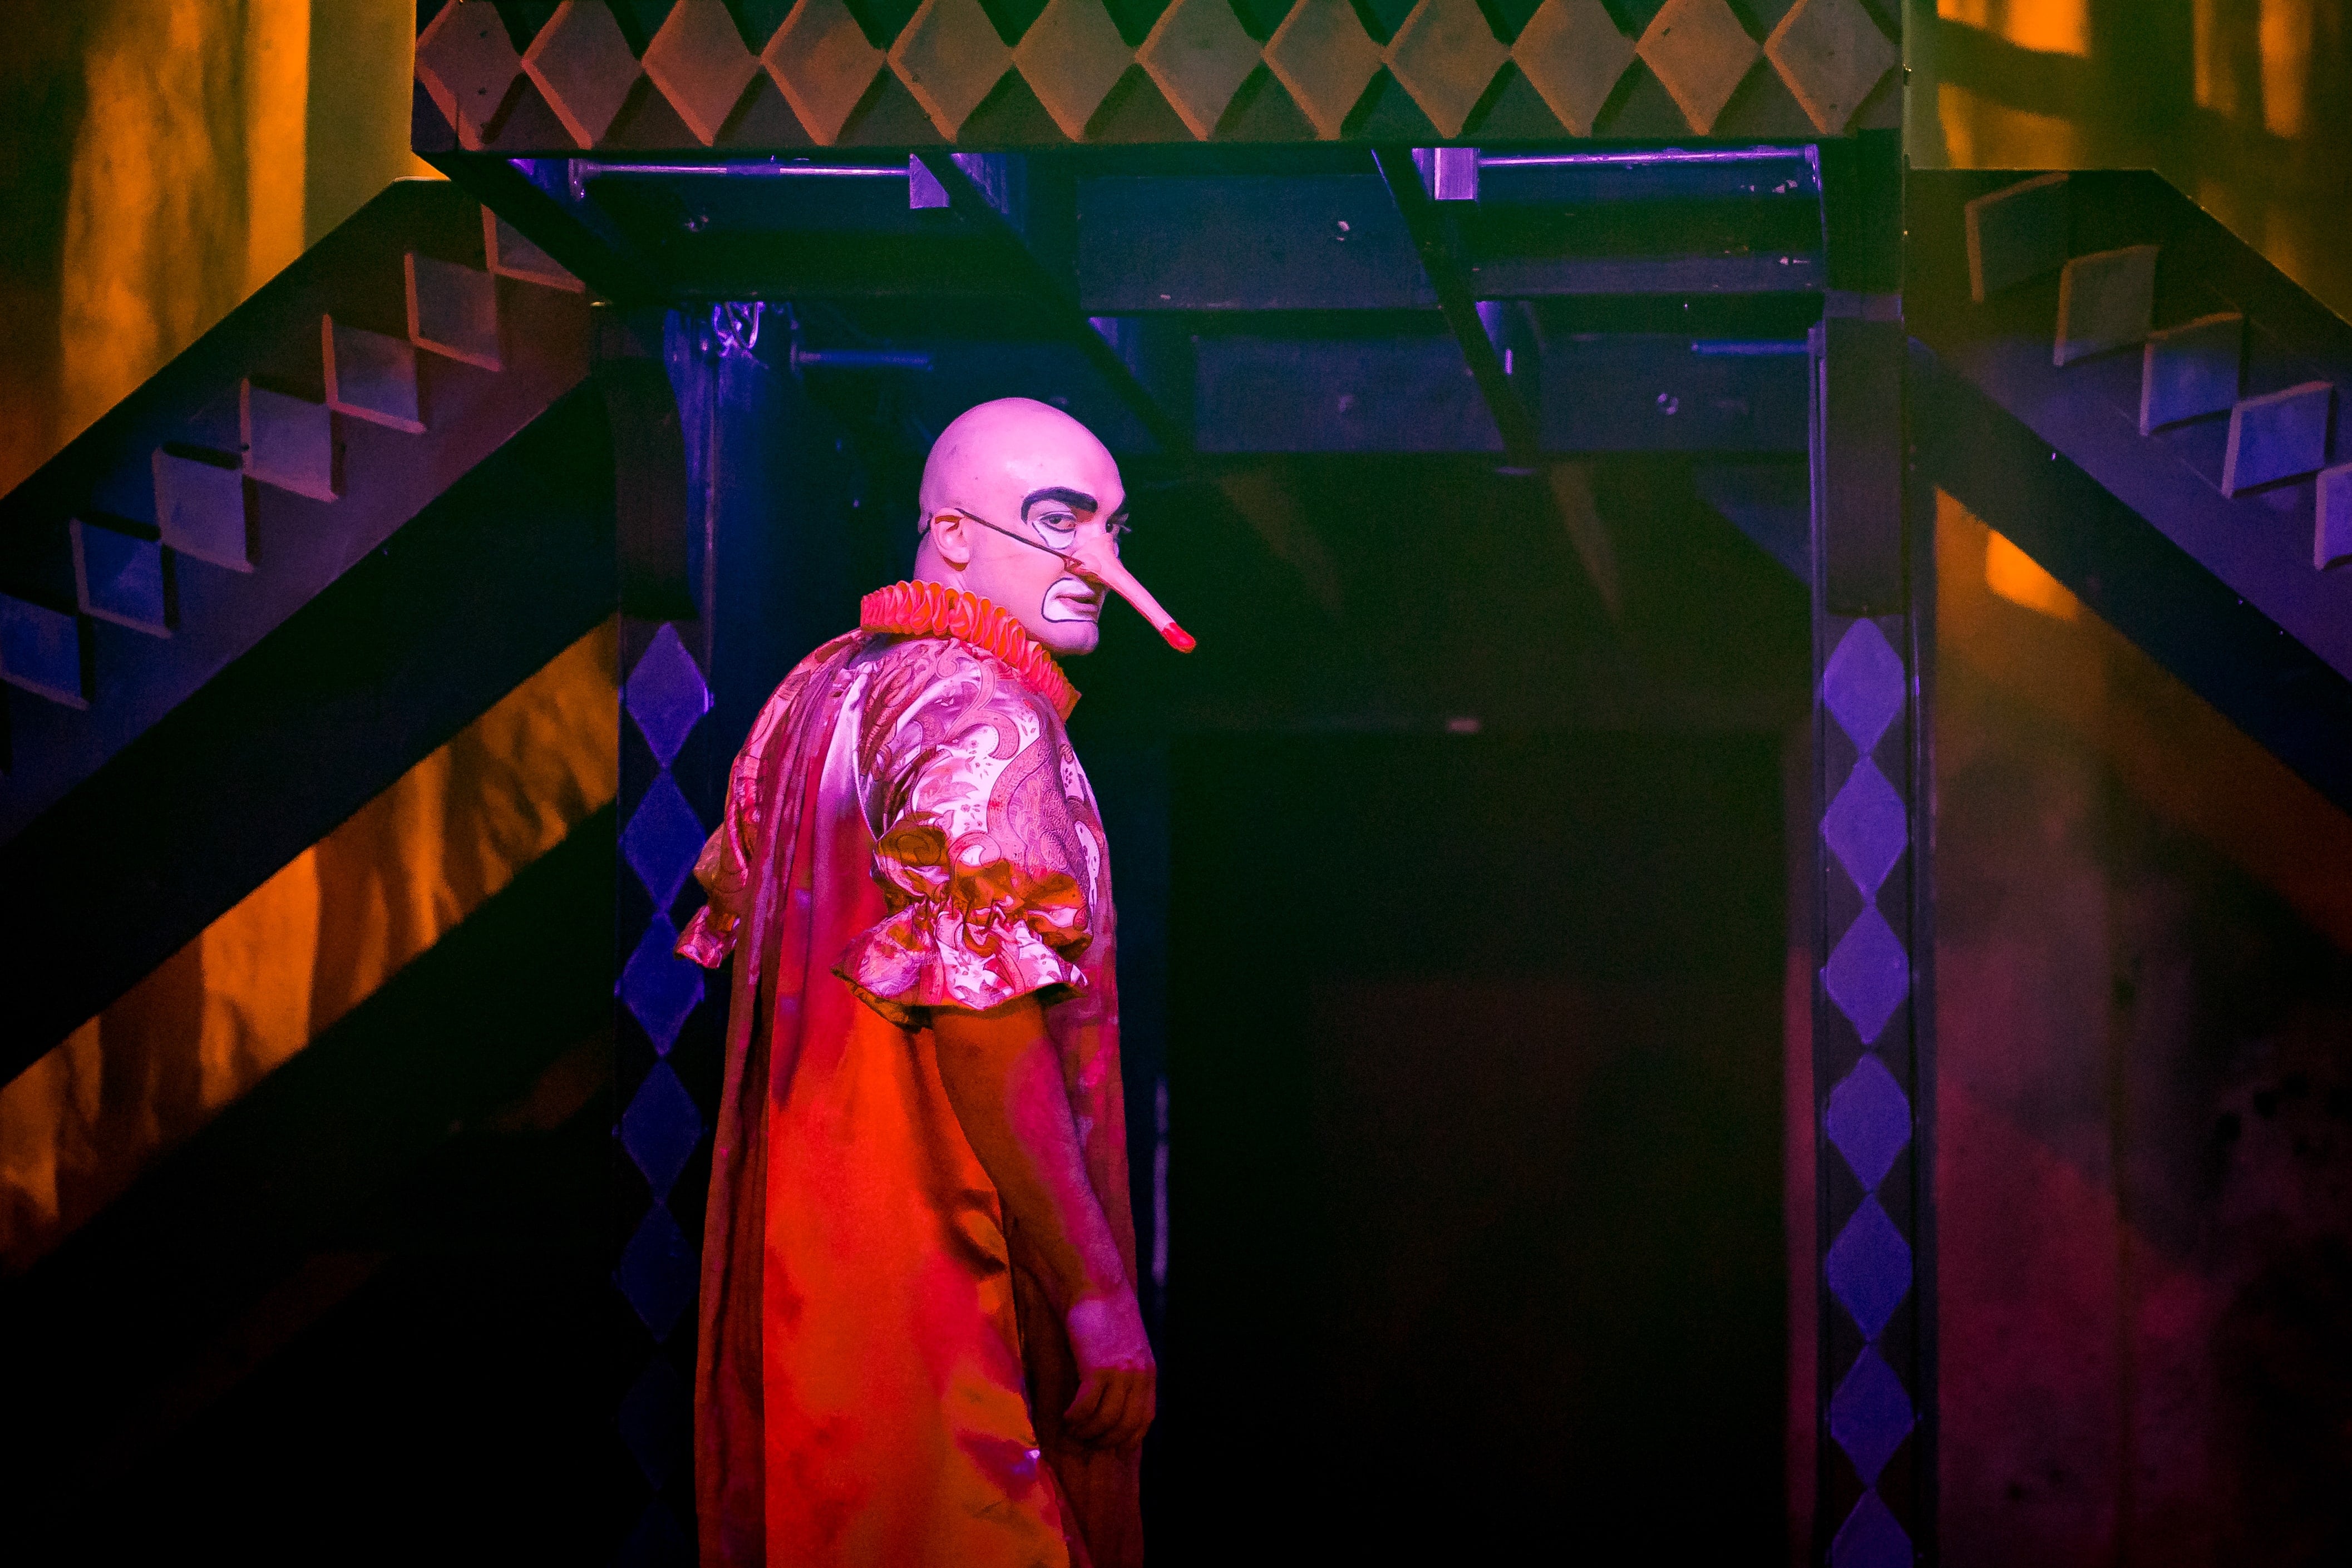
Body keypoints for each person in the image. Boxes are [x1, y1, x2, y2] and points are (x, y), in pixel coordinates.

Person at [675, 398, 1190, 1567]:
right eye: (1059, 521)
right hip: (945, 1293)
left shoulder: (817, 694)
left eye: (1112, 527)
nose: (1100, 563)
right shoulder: (980, 713)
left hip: (813, 1297)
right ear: (952, 535)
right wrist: (1096, 1291)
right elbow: (978, 1010)